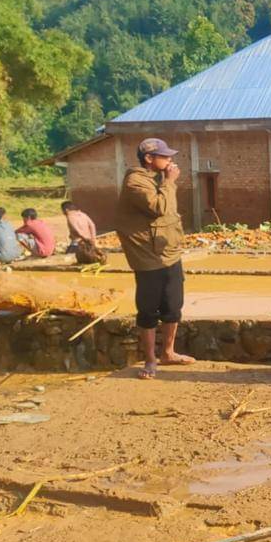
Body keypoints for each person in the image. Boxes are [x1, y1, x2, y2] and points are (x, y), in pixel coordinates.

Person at [117, 138, 194, 380]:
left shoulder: (158, 178)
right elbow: (158, 207)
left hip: (169, 253)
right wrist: (170, 181)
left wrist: (167, 181)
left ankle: (168, 353)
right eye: (165, 156)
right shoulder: (135, 181)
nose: (170, 160)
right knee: (149, 310)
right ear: (149, 159)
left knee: (173, 306)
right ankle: (150, 359)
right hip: (148, 258)